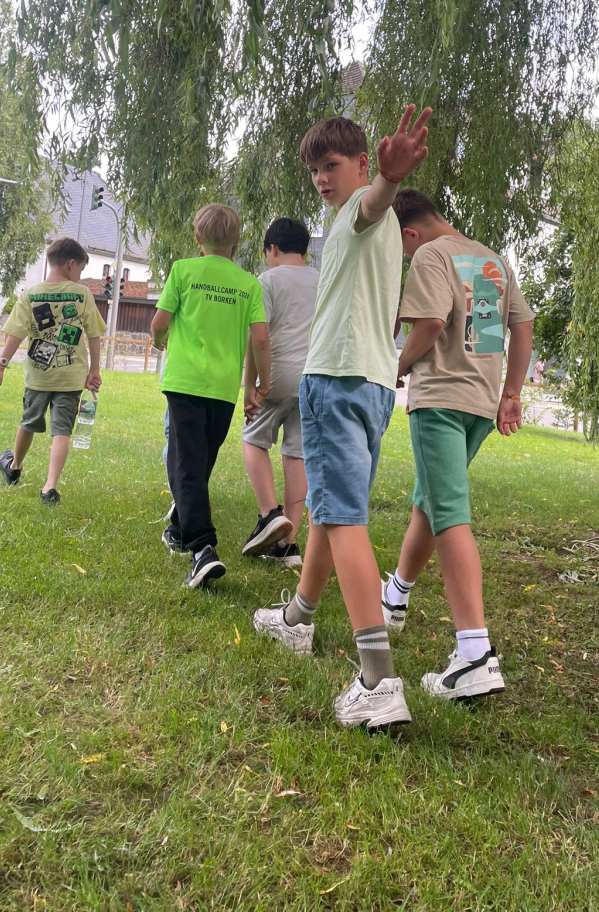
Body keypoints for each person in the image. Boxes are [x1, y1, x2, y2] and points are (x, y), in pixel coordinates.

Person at [253, 105, 431, 730]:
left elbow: (373, 201)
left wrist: (388, 177)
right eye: (313, 171)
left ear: (360, 163)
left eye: (330, 165)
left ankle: (378, 680)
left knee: (343, 517)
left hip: (337, 380)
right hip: (374, 384)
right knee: (332, 509)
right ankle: (298, 619)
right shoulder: (373, 227)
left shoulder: (361, 211)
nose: (321, 179)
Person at [377, 189, 535, 699]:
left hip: (440, 399)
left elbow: (430, 323)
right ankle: (394, 596)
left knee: (448, 512)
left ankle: (475, 654)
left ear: (409, 233)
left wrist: (396, 367)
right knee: (431, 499)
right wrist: (511, 392)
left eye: (401, 248)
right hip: (479, 404)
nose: (406, 256)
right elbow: (522, 326)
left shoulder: (430, 255)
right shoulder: (492, 260)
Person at [152, 203, 277, 590]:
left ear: (197, 238)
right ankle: (179, 529)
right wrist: (262, 384)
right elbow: (261, 339)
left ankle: (202, 549)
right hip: (223, 389)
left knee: (188, 465)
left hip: (185, 382)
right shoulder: (248, 284)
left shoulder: (183, 271)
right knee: (197, 461)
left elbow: (159, 323)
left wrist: (160, 341)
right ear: (237, 240)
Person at [0, 236, 105, 505]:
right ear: (72, 263)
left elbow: (15, 335)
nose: (80, 275)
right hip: (71, 377)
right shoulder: (81, 294)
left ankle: (14, 467)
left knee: (28, 422)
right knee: (62, 431)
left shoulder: (31, 294)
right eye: (81, 269)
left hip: (38, 376)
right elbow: (94, 334)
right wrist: (94, 370)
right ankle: (49, 487)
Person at [240, 218, 319, 568]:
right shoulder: (322, 280)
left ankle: (270, 514)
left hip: (279, 374)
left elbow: (258, 338)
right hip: (315, 378)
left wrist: (254, 385)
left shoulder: (267, 281)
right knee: (297, 455)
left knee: (253, 439)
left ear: (272, 249)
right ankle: (288, 546)